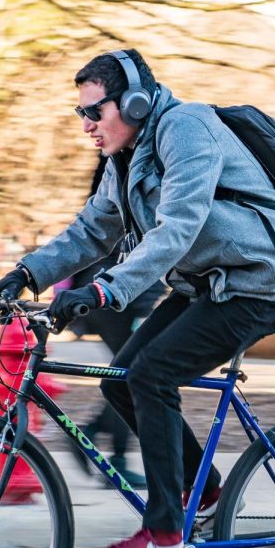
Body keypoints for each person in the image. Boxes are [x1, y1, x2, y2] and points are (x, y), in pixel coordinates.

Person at [0, 48, 275, 548]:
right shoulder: (124, 158)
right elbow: (91, 231)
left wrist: (106, 290)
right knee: (120, 378)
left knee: (152, 374)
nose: (86, 125)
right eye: (80, 114)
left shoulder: (187, 129)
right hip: (211, 284)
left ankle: (162, 536)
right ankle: (207, 492)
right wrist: (25, 275)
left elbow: (178, 227)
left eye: (93, 112)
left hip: (261, 281)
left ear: (132, 104)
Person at [60, 157, 167, 490]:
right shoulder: (137, 178)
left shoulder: (118, 173)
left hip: (106, 292)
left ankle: (94, 439)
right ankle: (109, 453)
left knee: (127, 374)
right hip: (119, 297)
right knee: (133, 376)